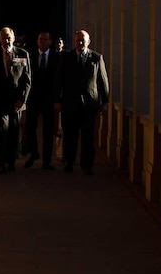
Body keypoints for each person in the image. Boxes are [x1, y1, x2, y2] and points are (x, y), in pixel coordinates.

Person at [53, 29, 109, 175]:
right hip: (69, 104)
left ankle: (87, 165)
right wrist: (57, 100)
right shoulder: (66, 57)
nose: (80, 42)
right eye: (78, 40)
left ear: (88, 42)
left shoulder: (97, 58)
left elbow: (103, 82)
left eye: (83, 40)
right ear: (74, 41)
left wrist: (105, 102)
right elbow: (59, 80)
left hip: (90, 105)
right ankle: (69, 162)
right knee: (69, 135)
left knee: (88, 136)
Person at [0, 27, 31, 174]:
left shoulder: (22, 54)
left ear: (13, 38)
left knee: (13, 132)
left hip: (15, 101)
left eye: (8, 37)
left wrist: (22, 99)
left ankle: (11, 162)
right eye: (3, 38)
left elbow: (27, 79)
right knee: (0, 131)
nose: (6, 40)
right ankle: (2, 162)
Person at [24, 32, 59, 170]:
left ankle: (47, 161)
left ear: (50, 42)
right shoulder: (30, 56)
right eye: (40, 39)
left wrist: (57, 99)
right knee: (30, 128)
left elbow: (59, 80)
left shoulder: (57, 58)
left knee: (48, 131)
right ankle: (33, 153)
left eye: (45, 39)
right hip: (33, 98)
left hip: (49, 100)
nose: (42, 42)